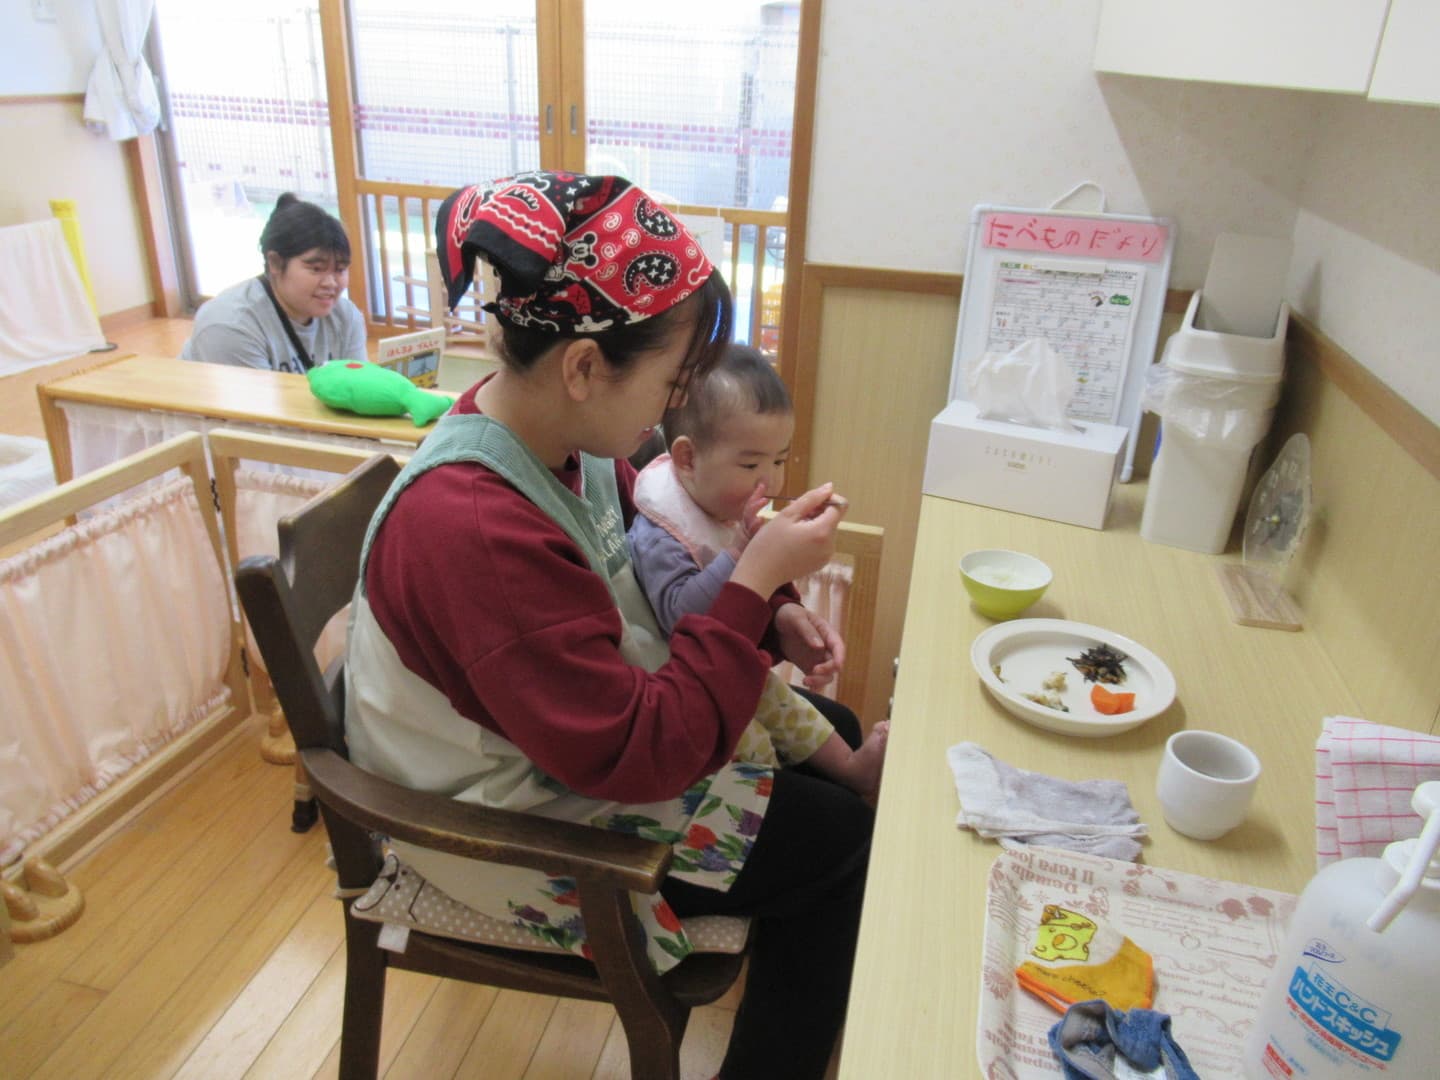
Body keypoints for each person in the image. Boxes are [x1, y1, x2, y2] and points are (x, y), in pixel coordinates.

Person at [343, 171, 873, 1080]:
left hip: (572, 745)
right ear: (585, 368)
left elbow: (666, 581)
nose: (673, 406)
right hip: (509, 824)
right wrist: (754, 580)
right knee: (841, 841)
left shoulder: (563, 442)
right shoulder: (477, 528)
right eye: (671, 381)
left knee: (842, 741)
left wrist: (773, 608)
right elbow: (641, 755)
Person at [628, 344, 889, 800]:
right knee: (756, 742)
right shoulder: (661, 529)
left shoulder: (717, 502)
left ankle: (851, 769)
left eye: (779, 460)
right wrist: (746, 555)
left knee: (785, 701)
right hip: (678, 684)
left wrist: (783, 612)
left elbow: (750, 591)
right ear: (687, 459)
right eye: (750, 464)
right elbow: (680, 615)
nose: (769, 481)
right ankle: (775, 795)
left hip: (727, 661)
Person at [179, 193, 366, 372]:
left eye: (340, 269)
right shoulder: (230, 324)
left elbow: (358, 386)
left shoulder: (346, 317)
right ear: (275, 263)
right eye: (316, 269)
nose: (331, 283)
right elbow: (250, 395)